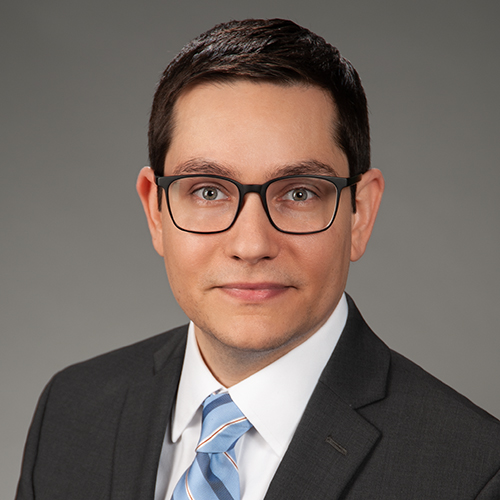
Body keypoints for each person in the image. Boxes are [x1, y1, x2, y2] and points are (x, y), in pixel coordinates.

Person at [16, 18, 500, 500]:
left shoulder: (474, 473)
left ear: (360, 213)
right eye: (208, 191)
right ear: (155, 211)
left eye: (299, 192)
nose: (251, 245)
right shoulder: (71, 411)